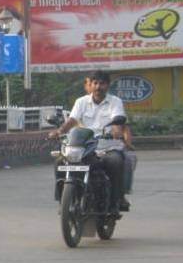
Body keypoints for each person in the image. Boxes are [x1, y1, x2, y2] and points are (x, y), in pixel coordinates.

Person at [48, 70, 129, 212]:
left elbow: (118, 122)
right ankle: (63, 200)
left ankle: (117, 199)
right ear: (90, 85)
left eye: (102, 83)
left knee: (115, 162)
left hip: (107, 147)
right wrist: (59, 131)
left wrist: (116, 132)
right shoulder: (81, 102)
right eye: (95, 83)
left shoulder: (115, 102)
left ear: (108, 85)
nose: (98, 87)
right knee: (60, 162)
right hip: (84, 147)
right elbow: (72, 120)